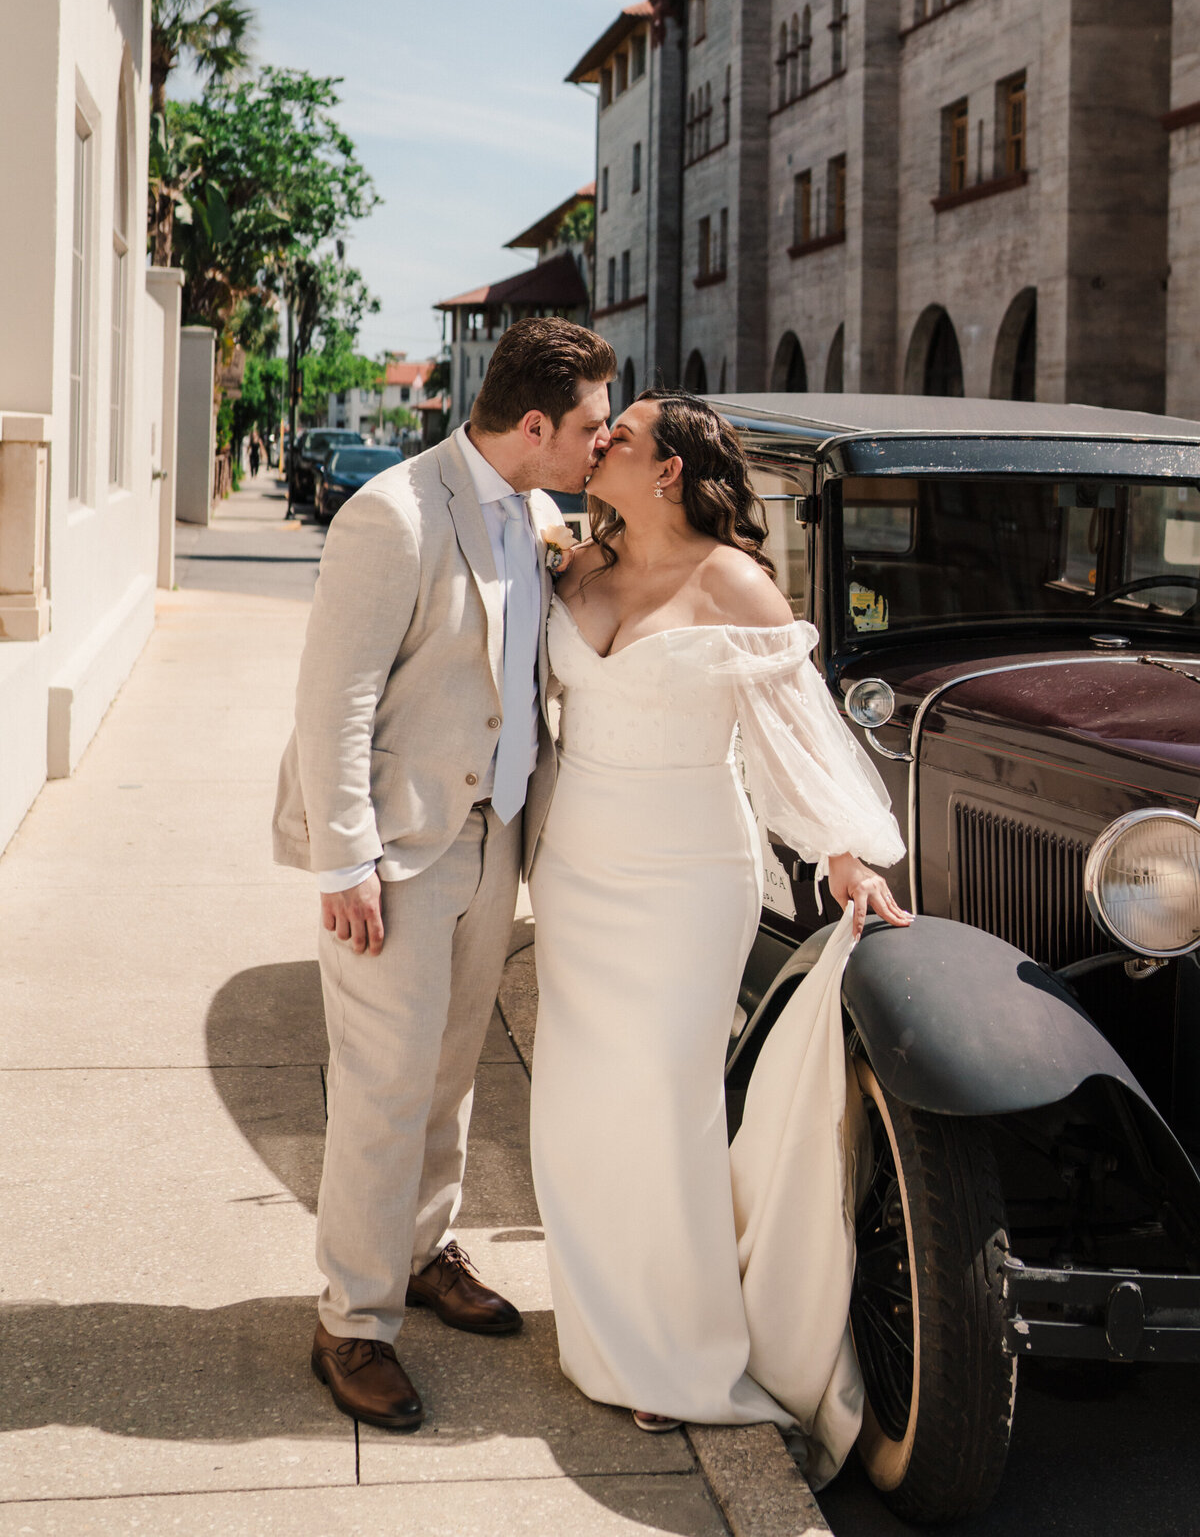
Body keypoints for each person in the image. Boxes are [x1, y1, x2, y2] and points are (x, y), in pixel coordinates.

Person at [528, 390, 911, 1477]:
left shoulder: (732, 580)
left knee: (663, 1101)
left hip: (686, 872)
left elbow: (791, 730)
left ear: (667, 471)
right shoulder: (572, 562)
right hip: (577, 871)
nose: (598, 440)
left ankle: (682, 1351)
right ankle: (607, 1330)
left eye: (621, 433)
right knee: (572, 1109)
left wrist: (842, 852)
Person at [272, 317, 615, 1431]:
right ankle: (353, 1323)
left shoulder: (538, 508)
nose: (601, 444)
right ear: (533, 425)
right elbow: (336, 699)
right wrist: (346, 858)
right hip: (400, 852)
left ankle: (421, 1251)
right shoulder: (392, 513)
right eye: (592, 427)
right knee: (381, 1085)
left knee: (453, 1071)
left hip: (496, 834)